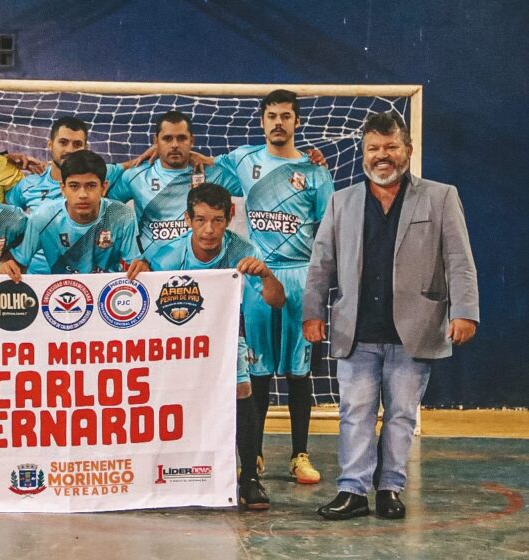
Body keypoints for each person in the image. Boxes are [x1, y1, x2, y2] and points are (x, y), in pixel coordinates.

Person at [304, 111, 479, 520]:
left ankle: (390, 489)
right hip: (356, 330)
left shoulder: (441, 196)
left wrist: (466, 311)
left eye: (391, 147)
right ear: (363, 153)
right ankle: (352, 490)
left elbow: (459, 260)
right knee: (355, 413)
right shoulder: (341, 201)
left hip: (416, 330)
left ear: (408, 150)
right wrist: (312, 313)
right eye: (373, 148)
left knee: (402, 415)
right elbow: (321, 264)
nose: (382, 156)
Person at [214, 90, 336, 484]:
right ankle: (255, 455)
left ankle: (300, 454)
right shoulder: (243, 159)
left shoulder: (315, 171)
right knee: (259, 372)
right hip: (257, 277)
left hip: (302, 276)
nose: (278, 122)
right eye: (272, 115)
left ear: (297, 121)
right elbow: (200, 168)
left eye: (286, 115)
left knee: (300, 373)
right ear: (262, 121)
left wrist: (322, 282)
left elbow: (327, 232)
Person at [147, 183, 285, 510]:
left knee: (242, 389)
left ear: (230, 217)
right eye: (200, 220)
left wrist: (266, 275)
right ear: (187, 219)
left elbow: (277, 301)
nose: (209, 230)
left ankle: (249, 476)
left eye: (218, 220)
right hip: (176, 340)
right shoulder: (167, 255)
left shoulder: (243, 249)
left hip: (224, 335)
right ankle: (163, 472)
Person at [107, 111, 241, 262]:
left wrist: (211, 160)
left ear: (192, 141)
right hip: (151, 270)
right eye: (167, 139)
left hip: (201, 269)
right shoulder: (135, 176)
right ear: (155, 141)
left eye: (182, 138)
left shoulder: (212, 173)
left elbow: (251, 184)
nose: (175, 145)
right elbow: (105, 206)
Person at [0, 149, 147, 280]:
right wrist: (7, 265)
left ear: (103, 187)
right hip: (59, 294)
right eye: (74, 186)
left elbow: (134, 264)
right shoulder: (42, 217)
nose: (82, 195)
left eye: (91, 186)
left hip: (106, 297)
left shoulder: (122, 215)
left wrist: (140, 267)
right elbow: (20, 263)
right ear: (63, 188)